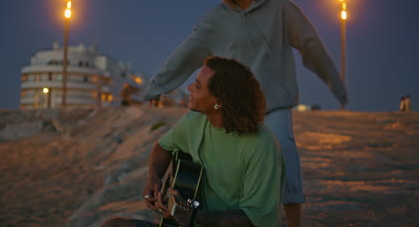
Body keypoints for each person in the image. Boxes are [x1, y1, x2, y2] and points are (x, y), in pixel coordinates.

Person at [142, 0, 348, 226]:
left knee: (286, 169)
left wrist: (335, 83)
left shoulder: (280, 8)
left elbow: (309, 42)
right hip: (223, 104)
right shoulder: (217, 18)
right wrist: (157, 86)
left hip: (273, 105)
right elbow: (189, 51)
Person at [102, 56, 285, 226]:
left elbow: (256, 219)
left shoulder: (261, 146)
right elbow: (162, 147)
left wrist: (193, 215)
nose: (189, 88)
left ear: (219, 102)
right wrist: (154, 178)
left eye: (198, 86)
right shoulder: (194, 122)